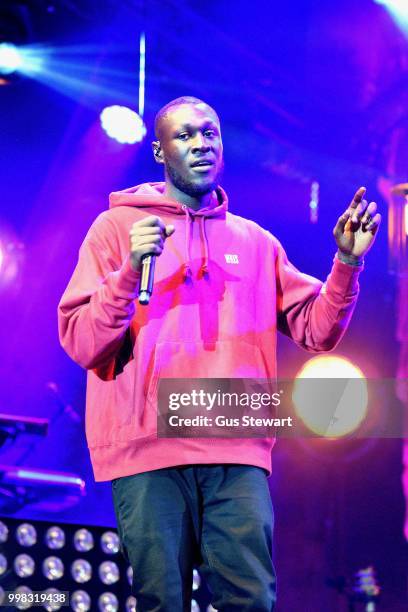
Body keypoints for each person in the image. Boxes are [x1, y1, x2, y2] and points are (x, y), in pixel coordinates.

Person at [58, 96, 381, 611]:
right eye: (184, 136)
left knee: (251, 601)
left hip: (234, 447)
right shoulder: (116, 230)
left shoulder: (255, 242)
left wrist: (345, 263)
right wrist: (127, 274)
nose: (201, 144)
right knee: (161, 601)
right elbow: (83, 342)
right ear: (161, 153)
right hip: (148, 446)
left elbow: (317, 332)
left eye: (209, 133)